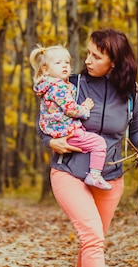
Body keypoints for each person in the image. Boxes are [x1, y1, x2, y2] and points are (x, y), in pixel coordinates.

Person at [36, 29, 138, 267]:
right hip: (69, 172)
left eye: (96, 56)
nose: (87, 60)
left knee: (93, 242)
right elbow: (43, 123)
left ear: (115, 62)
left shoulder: (131, 92)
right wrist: (50, 142)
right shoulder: (71, 85)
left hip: (110, 179)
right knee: (92, 238)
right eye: (87, 53)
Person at [30, 45, 112, 190]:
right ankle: (94, 175)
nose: (64, 66)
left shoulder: (49, 86)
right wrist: (85, 109)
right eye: (58, 63)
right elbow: (70, 109)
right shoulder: (59, 87)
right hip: (68, 131)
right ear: (45, 69)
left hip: (57, 130)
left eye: (66, 62)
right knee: (99, 143)